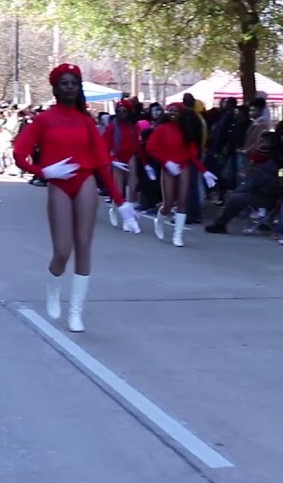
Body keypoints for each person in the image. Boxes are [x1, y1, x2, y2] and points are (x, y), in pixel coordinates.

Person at [12, 64, 140, 332]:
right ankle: (53, 287)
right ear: (55, 88)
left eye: (73, 83)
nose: (69, 87)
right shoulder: (44, 119)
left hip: (84, 180)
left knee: (84, 246)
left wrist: (121, 202)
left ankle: (76, 312)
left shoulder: (86, 121)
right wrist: (43, 171)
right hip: (59, 182)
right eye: (64, 83)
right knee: (62, 249)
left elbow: (103, 162)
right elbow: (19, 154)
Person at [144, 102, 216, 247]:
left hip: (184, 166)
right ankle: (160, 220)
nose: (172, 113)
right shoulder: (161, 129)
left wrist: (205, 171)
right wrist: (166, 162)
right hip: (168, 166)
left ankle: (178, 235)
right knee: (168, 203)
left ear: (181, 114)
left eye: (176, 111)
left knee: (183, 201)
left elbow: (192, 155)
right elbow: (151, 148)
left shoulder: (186, 130)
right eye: (170, 110)